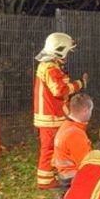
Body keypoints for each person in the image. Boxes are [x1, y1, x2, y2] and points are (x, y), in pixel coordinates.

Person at [33, 32, 86, 190]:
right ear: (59, 50)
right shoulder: (50, 68)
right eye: (67, 51)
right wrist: (80, 84)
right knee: (50, 148)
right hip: (51, 116)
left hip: (52, 114)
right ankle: (45, 181)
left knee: (52, 147)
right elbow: (59, 90)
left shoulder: (51, 66)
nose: (68, 55)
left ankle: (50, 177)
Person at [53, 92, 93, 188]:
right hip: (73, 181)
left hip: (64, 177)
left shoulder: (66, 126)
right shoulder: (76, 134)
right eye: (91, 110)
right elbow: (86, 165)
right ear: (85, 110)